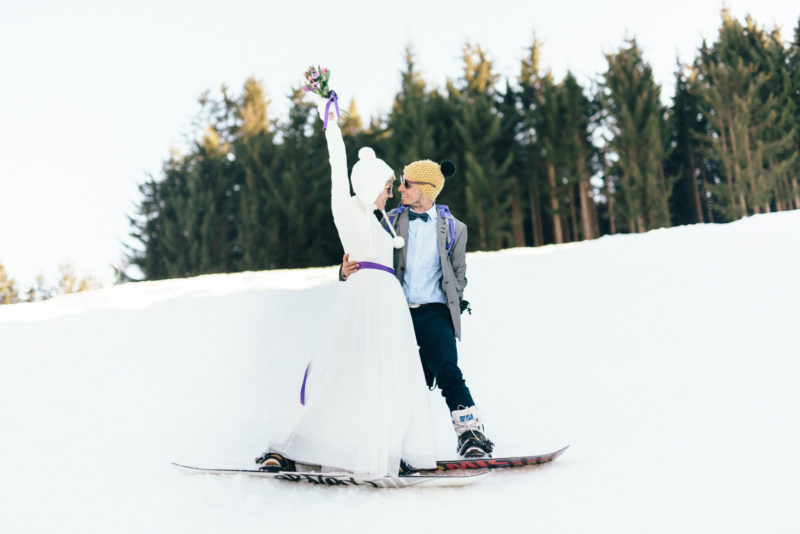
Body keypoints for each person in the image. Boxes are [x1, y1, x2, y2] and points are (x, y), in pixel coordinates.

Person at [256, 99, 437, 476]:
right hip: (363, 299)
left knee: (392, 375)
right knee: (335, 369)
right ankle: (289, 445)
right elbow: (338, 169)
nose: (390, 193)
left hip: (389, 302)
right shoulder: (348, 210)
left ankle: (391, 449)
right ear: (370, 185)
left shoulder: (383, 219)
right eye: (386, 186)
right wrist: (332, 124)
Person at [340, 159, 495, 459]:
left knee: (448, 369)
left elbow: (458, 273)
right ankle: (389, 441)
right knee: (397, 376)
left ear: (426, 189)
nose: (399, 188)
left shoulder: (454, 228)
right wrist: (345, 270)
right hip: (396, 310)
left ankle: (471, 435)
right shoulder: (389, 220)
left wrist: (454, 301)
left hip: (435, 312)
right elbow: (365, 253)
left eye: (406, 183)